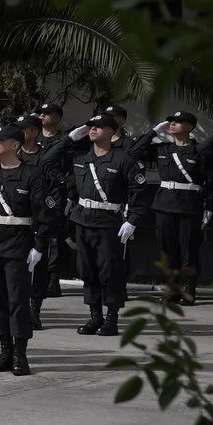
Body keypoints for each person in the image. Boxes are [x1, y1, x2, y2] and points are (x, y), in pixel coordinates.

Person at [64, 110, 150, 335]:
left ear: (112, 131)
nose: (92, 129)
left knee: (110, 271)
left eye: (99, 126)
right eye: (90, 126)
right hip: (83, 220)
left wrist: (132, 221)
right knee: (87, 270)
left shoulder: (124, 160)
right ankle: (95, 316)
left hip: (109, 222)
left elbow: (139, 192)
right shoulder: (81, 158)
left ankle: (111, 319)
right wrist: (71, 138)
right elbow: (49, 159)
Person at [0, 126, 47, 374]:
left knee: (18, 301)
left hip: (18, 245)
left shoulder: (31, 175)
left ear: (15, 145)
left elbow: (43, 214)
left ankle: (20, 355)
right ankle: (5, 351)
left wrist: (40, 245)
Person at [142, 111, 213, 305]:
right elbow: (134, 151)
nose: (172, 124)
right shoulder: (162, 149)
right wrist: (153, 133)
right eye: (171, 122)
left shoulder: (200, 150)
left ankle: (189, 291)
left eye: (177, 122)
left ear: (189, 127)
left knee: (189, 251)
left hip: (189, 206)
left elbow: (212, 181)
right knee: (168, 251)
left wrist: (209, 207)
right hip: (164, 204)